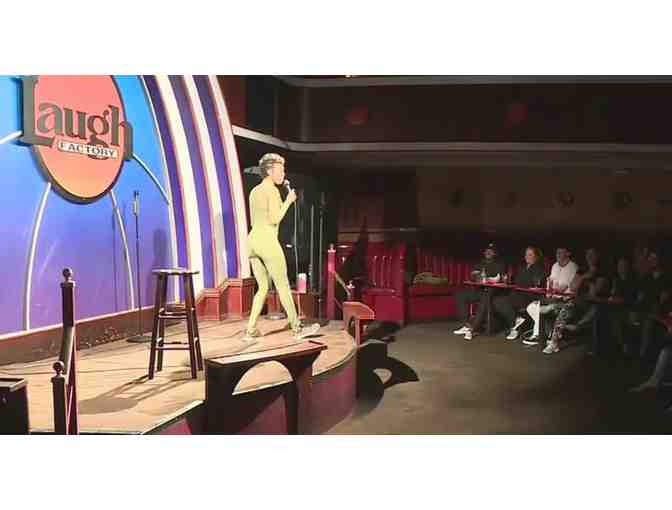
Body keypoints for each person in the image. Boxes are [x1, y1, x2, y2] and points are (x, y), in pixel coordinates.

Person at [243, 153, 320, 343]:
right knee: (283, 285)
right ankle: (297, 328)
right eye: (280, 169)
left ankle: (250, 330)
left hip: (252, 241)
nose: (283, 173)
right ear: (270, 171)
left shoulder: (254, 191)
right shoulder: (272, 191)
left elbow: (254, 220)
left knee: (262, 287)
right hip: (267, 241)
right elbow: (274, 219)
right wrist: (288, 201)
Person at [542, 248, 610, 355]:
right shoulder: (582, 269)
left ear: (597, 256)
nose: (589, 257)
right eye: (588, 254)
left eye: (592, 254)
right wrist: (584, 277)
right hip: (578, 300)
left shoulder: (602, 271)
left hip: (593, 302)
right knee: (566, 307)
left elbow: (595, 291)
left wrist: (584, 283)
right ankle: (554, 340)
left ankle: (559, 337)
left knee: (570, 306)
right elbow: (573, 287)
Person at [524, 247, 578, 345]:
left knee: (541, 308)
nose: (558, 255)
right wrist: (550, 291)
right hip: (552, 298)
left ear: (568, 253)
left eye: (561, 252)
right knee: (531, 307)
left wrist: (552, 288)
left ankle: (538, 335)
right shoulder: (555, 266)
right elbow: (550, 283)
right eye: (557, 252)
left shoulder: (573, 267)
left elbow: (562, 288)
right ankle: (549, 331)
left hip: (565, 300)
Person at [453, 243, 507, 341]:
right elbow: (473, 275)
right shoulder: (480, 263)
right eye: (487, 251)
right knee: (460, 294)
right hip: (479, 290)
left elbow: (503, 279)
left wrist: (501, 279)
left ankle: (472, 329)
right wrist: (475, 275)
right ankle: (466, 325)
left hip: (492, 292)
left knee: (485, 299)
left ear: (495, 253)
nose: (488, 253)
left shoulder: (500, 264)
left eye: (490, 251)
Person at [492, 246, 546, 341]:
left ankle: (514, 328)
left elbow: (535, 284)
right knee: (497, 300)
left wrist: (523, 285)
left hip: (529, 296)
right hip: (517, 294)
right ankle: (515, 322)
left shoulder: (539, 268)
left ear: (536, 256)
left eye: (530, 255)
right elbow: (516, 281)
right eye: (526, 254)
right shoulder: (522, 267)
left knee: (508, 301)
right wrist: (507, 280)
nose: (527, 257)